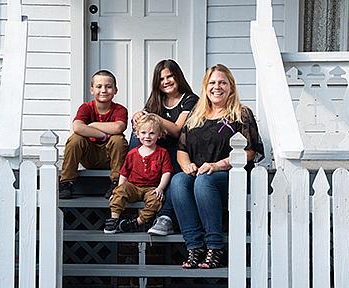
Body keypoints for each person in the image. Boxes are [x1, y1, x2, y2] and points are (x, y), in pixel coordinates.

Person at [170, 64, 264, 269]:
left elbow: (250, 151)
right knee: (178, 181)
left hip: (229, 175)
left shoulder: (241, 113)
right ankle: (194, 246)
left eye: (222, 82)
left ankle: (214, 246)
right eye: (212, 82)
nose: (217, 87)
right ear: (205, 87)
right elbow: (182, 149)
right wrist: (187, 166)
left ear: (231, 86)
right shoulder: (196, 115)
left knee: (204, 181)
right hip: (199, 172)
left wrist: (218, 165)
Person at [124, 59, 199, 236]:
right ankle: (127, 178)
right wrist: (138, 117)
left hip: (178, 152)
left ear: (178, 76)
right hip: (156, 152)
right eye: (161, 78)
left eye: (170, 76)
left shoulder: (190, 99)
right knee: (138, 134)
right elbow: (145, 125)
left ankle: (165, 217)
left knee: (173, 172)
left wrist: (152, 117)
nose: (166, 81)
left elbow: (176, 130)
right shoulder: (156, 100)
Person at [59, 70, 128, 199]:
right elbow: (78, 127)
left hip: (111, 157)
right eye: (99, 86)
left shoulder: (120, 109)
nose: (103, 90)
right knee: (75, 139)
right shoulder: (86, 108)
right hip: (89, 156)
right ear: (92, 90)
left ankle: (116, 183)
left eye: (108, 87)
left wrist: (92, 126)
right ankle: (66, 182)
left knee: (118, 139)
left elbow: (118, 127)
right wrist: (102, 136)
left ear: (115, 90)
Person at [104, 114, 173, 233]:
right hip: (133, 187)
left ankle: (137, 222)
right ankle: (114, 219)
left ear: (159, 135)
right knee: (119, 191)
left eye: (152, 133)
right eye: (143, 133)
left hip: (151, 188)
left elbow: (166, 172)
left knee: (156, 200)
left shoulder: (162, 153)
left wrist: (160, 188)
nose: (147, 136)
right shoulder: (132, 153)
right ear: (137, 134)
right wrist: (119, 188)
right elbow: (124, 173)